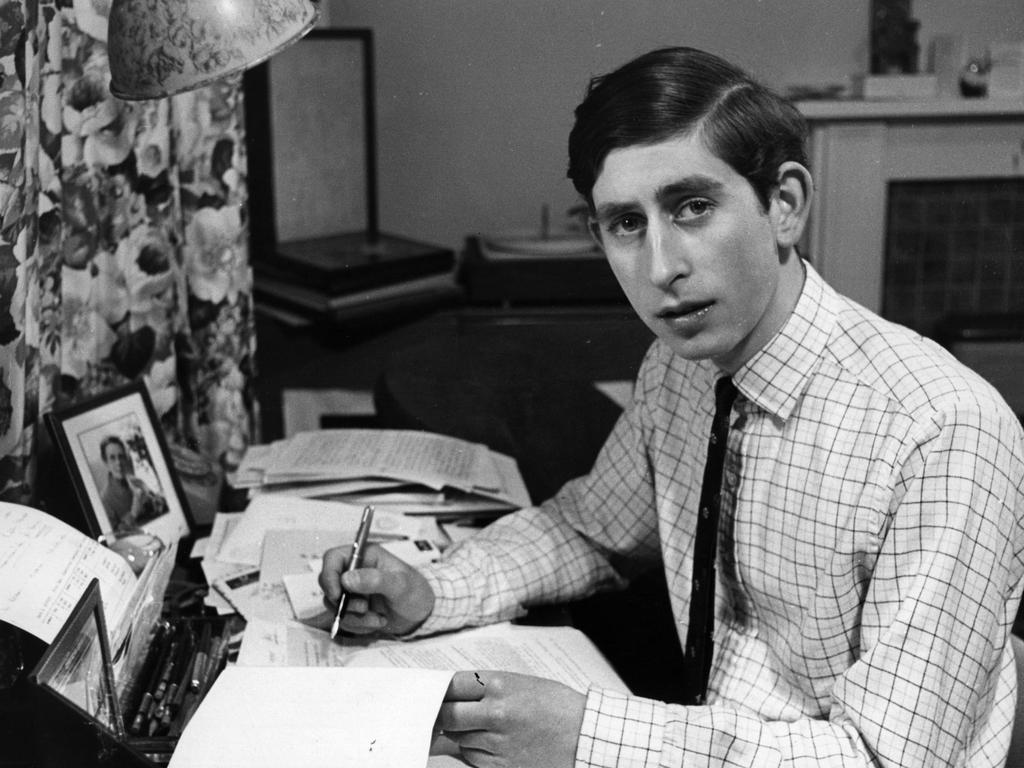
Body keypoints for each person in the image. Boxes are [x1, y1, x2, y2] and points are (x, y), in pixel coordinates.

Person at [320, 46, 1024, 767]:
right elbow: (590, 531)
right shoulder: (680, 366)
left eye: (693, 207)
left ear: (784, 204)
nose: (661, 270)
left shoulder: (943, 431)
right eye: (627, 224)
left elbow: (886, 761)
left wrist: (585, 739)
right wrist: (431, 591)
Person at [99, 435, 168, 531]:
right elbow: (114, 536)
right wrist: (133, 513)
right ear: (105, 462)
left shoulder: (136, 481)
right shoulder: (104, 499)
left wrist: (157, 502)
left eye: (121, 456)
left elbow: (157, 505)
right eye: (112, 458)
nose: (118, 462)